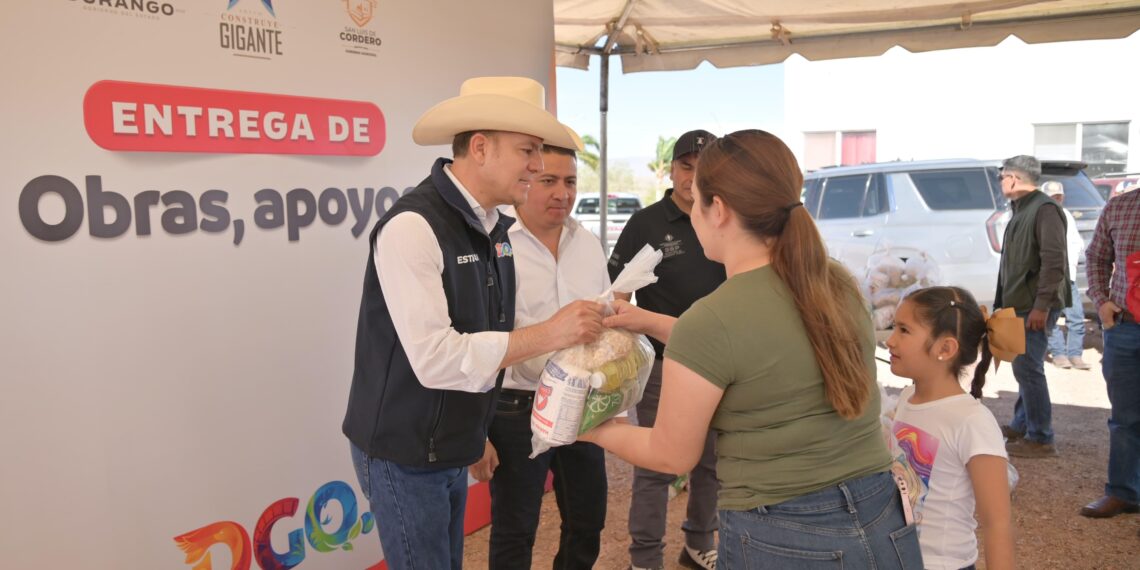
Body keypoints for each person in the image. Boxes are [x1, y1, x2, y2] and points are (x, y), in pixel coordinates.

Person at [582, 129, 923, 569]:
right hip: (880, 511)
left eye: (698, 201)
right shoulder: (834, 280)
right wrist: (648, 321)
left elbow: (671, 454)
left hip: (783, 530)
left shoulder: (714, 319)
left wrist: (590, 428)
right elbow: (749, 344)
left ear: (719, 209)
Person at [342, 76, 605, 570]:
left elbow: (487, 337)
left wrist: (477, 432)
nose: (538, 165)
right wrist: (551, 333)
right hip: (404, 450)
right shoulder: (412, 226)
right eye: (528, 150)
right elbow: (436, 359)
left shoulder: (494, 228)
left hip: (450, 444)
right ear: (480, 148)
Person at [470, 144, 611, 569]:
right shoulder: (492, 245)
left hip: (583, 403)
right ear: (526, 180)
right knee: (516, 529)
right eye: (549, 180)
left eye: (570, 182)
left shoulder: (587, 243)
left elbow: (603, 318)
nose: (562, 193)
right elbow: (473, 342)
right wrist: (477, 433)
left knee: (588, 519)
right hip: (516, 409)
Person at [607, 129, 726, 570]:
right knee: (656, 464)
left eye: (703, 169)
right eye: (685, 167)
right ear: (671, 170)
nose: (692, 178)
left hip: (721, 364)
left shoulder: (726, 218)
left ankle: (698, 543)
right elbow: (617, 295)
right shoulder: (647, 223)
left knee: (711, 463)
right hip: (663, 366)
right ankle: (644, 558)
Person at [885, 286, 1016, 570]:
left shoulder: (972, 422)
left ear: (945, 349)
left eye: (904, 330)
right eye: (894, 327)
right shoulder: (907, 398)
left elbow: (997, 524)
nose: (890, 341)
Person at [993, 155, 1071, 458]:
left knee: (1028, 368)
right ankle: (1022, 424)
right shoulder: (1023, 208)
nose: (1000, 182)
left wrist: (1042, 305)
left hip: (1034, 304)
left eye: (1002, 177)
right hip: (1022, 302)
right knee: (1024, 366)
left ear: (1013, 178)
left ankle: (1041, 437)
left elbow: (1054, 261)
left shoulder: (1044, 209)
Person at [1079, 188, 1140, 519]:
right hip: (1125, 326)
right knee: (1125, 416)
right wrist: (1101, 302)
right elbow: (1096, 257)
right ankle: (1123, 492)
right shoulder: (1119, 207)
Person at [1042, 180, 1090, 370]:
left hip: (1068, 275)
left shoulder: (1067, 215)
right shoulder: (1039, 217)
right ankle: (1059, 354)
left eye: (1058, 196)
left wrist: (1073, 262)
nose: (1056, 200)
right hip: (1050, 277)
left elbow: (1077, 242)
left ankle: (1075, 354)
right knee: (1051, 318)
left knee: (1076, 316)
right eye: (1052, 197)